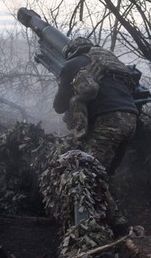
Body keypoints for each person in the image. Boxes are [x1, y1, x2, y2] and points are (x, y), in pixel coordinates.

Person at [53, 36, 139, 234]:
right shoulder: (110, 62)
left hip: (109, 122)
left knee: (85, 172)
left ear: (71, 52)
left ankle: (102, 227)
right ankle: (110, 217)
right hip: (131, 119)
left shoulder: (73, 63)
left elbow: (59, 106)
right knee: (103, 173)